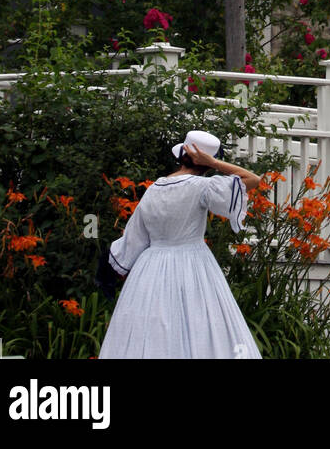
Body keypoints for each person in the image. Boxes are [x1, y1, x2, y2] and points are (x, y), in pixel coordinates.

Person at [98, 128, 263, 359]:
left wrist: (116, 266)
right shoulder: (202, 187)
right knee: (201, 327)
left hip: (149, 270)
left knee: (150, 333)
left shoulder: (154, 189)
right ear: (205, 162)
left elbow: (134, 238)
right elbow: (253, 180)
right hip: (194, 266)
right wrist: (214, 163)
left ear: (181, 155)